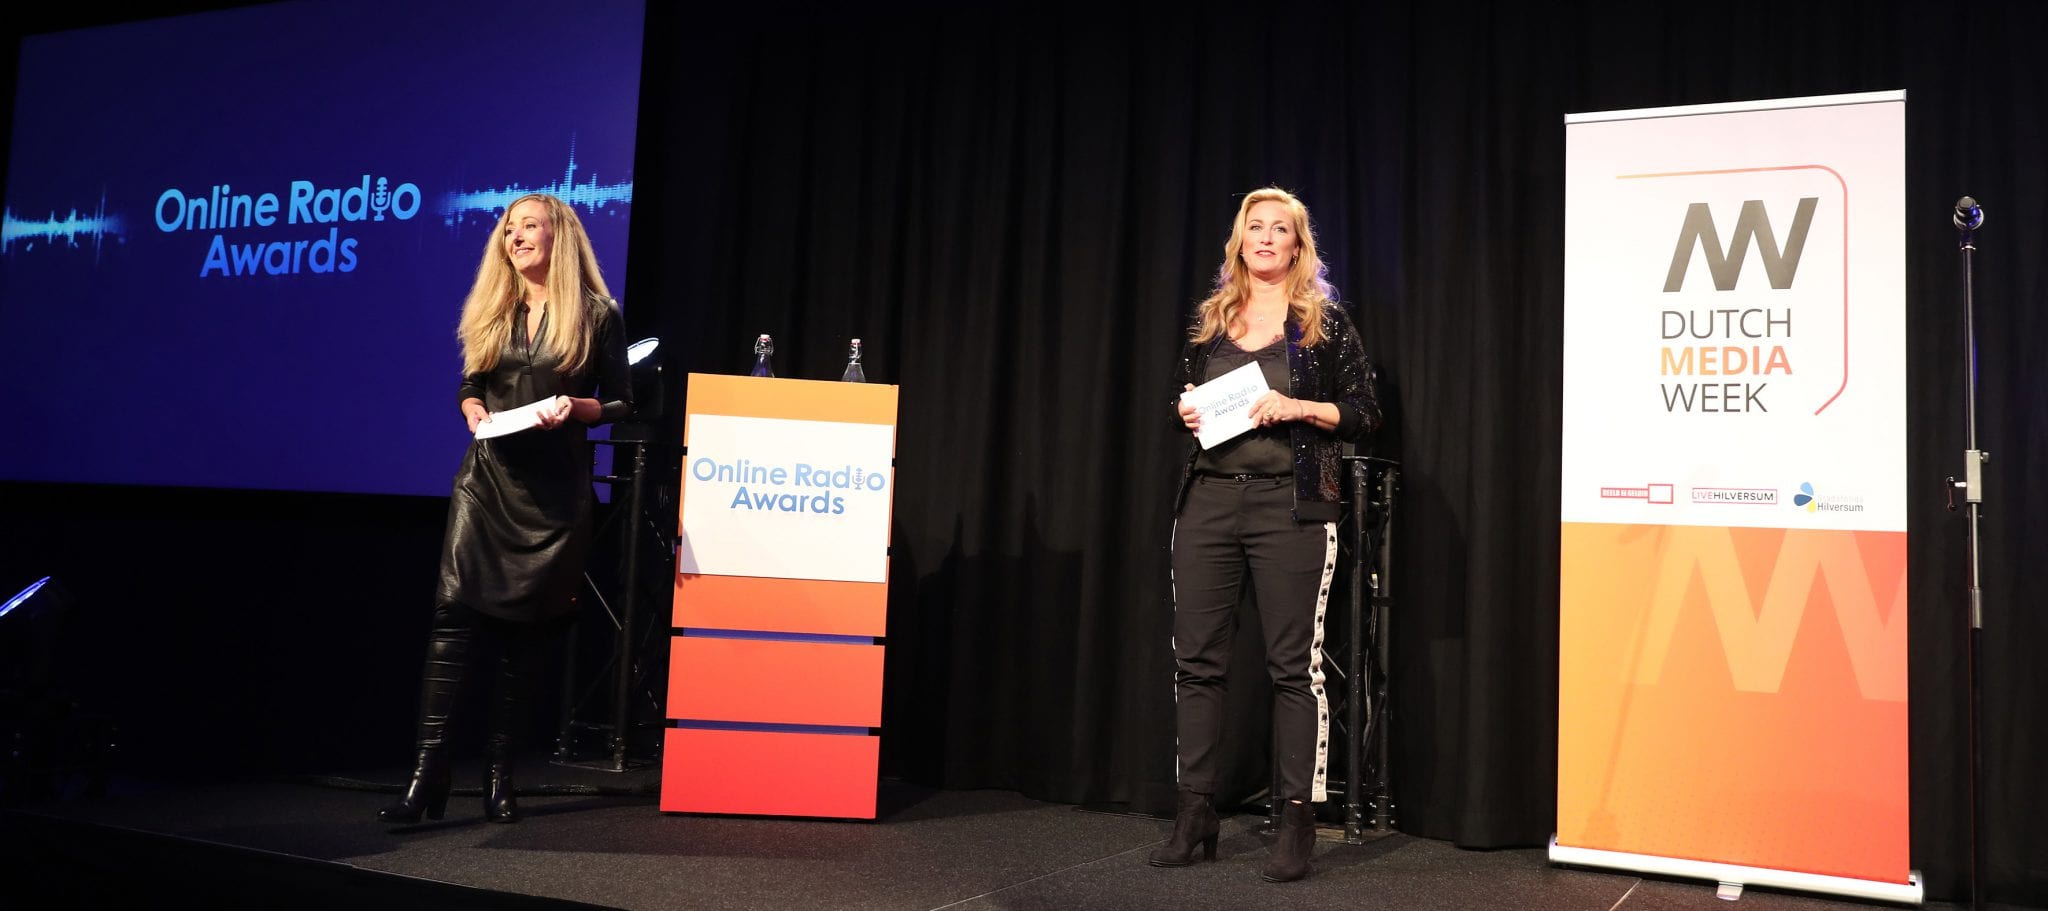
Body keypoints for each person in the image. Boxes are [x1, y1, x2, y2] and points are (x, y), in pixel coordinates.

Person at [378, 193, 632, 826]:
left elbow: (625, 401)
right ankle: (427, 774)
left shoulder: (597, 314)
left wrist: (579, 408)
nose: (515, 237)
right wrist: (471, 409)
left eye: (529, 226)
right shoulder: (494, 305)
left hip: (553, 499)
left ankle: (500, 776)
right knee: (452, 617)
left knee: (526, 636)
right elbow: (472, 383)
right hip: (487, 484)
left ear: (558, 237)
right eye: (509, 228)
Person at [1152, 187, 1378, 881]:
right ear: (1240, 241)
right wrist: (1184, 413)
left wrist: (1298, 405)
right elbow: (1178, 401)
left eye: (1281, 228)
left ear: (1298, 245)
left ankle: (1296, 818)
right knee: (1196, 662)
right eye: (1256, 227)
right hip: (1209, 503)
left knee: (1292, 667)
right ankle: (1195, 811)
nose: (1267, 237)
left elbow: (1365, 412)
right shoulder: (1211, 321)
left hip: (1291, 507)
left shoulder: (1322, 324)